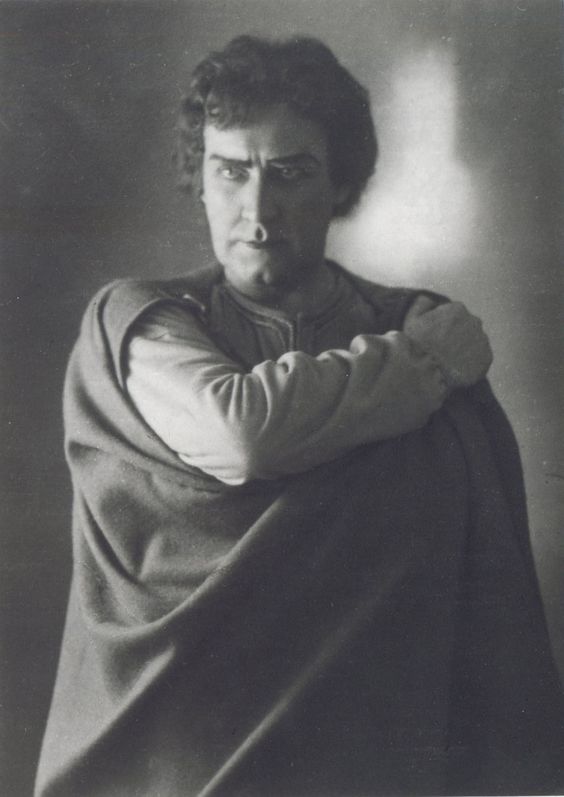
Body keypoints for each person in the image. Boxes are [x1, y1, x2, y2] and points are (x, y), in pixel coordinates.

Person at [36, 35, 564, 797]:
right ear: (201, 179)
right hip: (167, 770)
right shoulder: (136, 320)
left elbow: (490, 622)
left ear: (340, 181)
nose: (258, 210)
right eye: (231, 171)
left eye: (290, 173)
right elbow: (242, 433)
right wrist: (423, 361)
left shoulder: (408, 319)